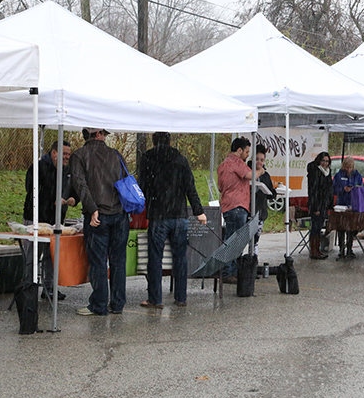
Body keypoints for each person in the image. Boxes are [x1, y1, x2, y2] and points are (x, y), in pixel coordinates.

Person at [139, 132, 207, 309]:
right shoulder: (181, 159)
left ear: (154, 143)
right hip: (179, 216)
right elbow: (190, 187)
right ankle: (181, 297)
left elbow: (143, 186)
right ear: (169, 142)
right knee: (180, 258)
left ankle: (155, 299)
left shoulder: (148, 159)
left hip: (158, 215)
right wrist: (199, 211)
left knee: (155, 258)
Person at [69, 128, 129, 316]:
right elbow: (126, 182)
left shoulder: (79, 155)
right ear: (98, 134)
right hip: (119, 214)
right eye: (104, 134)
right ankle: (118, 303)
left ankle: (99, 305)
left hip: (97, 216)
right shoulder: (115, 155)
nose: (104, 138)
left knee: (98, 262)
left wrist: (92, 208)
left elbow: (80, 185)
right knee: (118, 261)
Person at [22, 140, 79, 301]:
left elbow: (73, 189)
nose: (67, 157)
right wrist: (51, 200)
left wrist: (74, 199)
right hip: (36, 218)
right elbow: (31, 189)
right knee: (32, 255)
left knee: (51, 256)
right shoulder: (38, 167)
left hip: (56, 220)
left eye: (68, 154)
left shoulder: (68, 170)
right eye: (64, 154)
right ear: (54, 153)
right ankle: (28, 287)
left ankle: (49, 288)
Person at [217, 136, 264, 283]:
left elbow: (220, 186)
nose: (247, 155)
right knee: (234, 241)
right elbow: (250, 175)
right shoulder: (236, 162)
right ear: (239, 150)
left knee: (230, 238)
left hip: (227, 206)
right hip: (238, 206)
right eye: (246, 152)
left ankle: (231, 270)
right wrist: (261, 171)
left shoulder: (223, 164)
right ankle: (228, 272)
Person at [247, 144, 276, 256]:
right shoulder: (247, 171)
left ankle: (253, 260)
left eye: (262, 160)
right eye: (257, 159)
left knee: (255, 240)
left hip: (260, 210)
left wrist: (268, 192)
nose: (259, 162)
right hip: (248, 209)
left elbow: (272, 193)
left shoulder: (266, 175)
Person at [332, 156, 363, 258]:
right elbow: (333, 189)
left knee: (351, 227)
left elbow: (361, 188)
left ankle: (349, 248)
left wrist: (354, 189)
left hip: (352, 204)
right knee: (341, 227)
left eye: (350, 167)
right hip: (341, 204)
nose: (349, 170)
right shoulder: (339, 175)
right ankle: (341, 249)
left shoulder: (357, 175)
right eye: (347, 167)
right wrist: (343, 189)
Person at [306, 152, 333, 260]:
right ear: (319, 161)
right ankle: (314, 250)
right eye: (323, 161)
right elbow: (313, 191)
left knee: (319, 227)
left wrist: (330, 204)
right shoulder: (315, 172)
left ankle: (317, 250)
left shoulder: (327, 172)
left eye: (327, 161)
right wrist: (316, 207)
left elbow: (329, 189)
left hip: (324, 204)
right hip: (317, 204)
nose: (325, 163)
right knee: (315, 228)